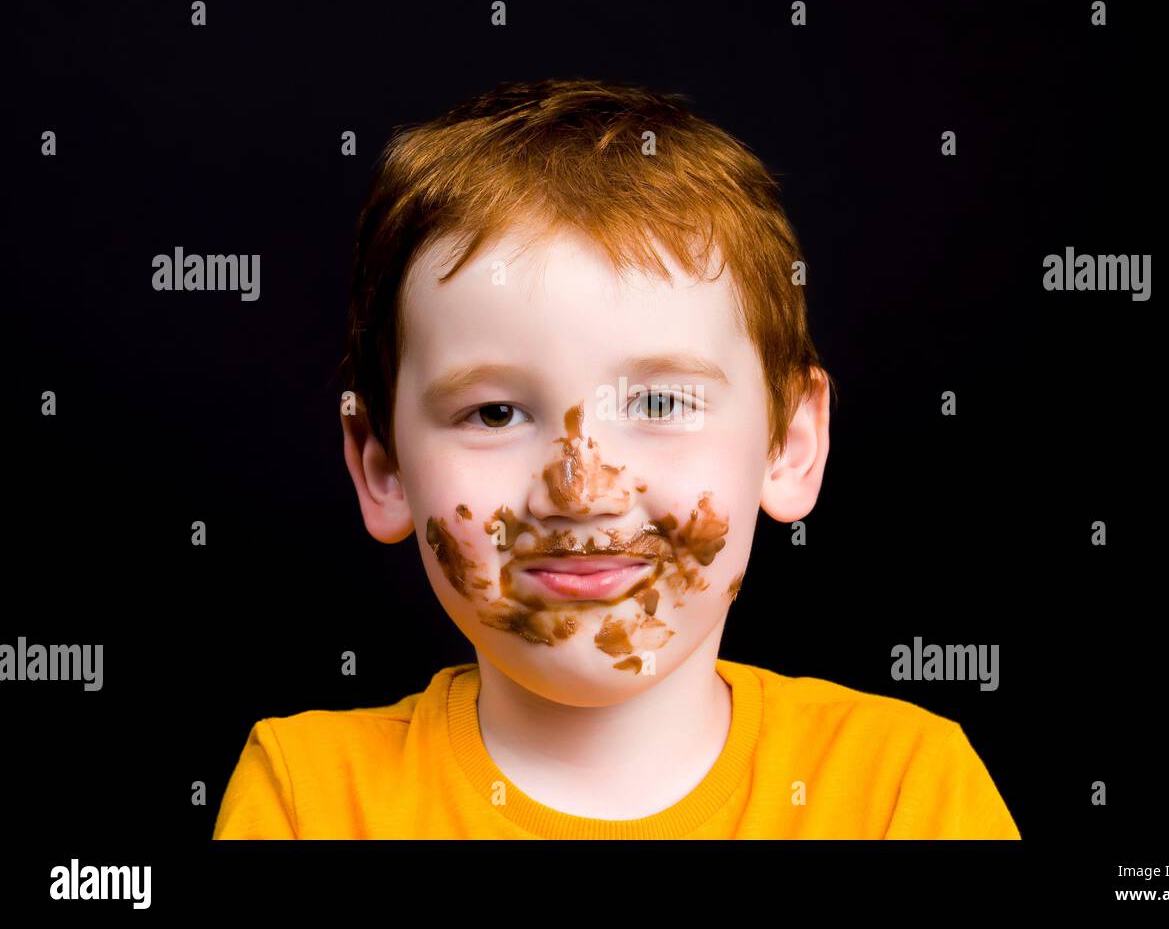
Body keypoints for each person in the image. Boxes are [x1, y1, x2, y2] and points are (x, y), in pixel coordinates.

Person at [213, 77, 1020, 839]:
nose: (582, 489)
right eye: (494, 412)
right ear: (382, 468)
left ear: (790, 445)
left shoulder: (905, 791)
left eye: (662, 404)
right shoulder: (309, 799)